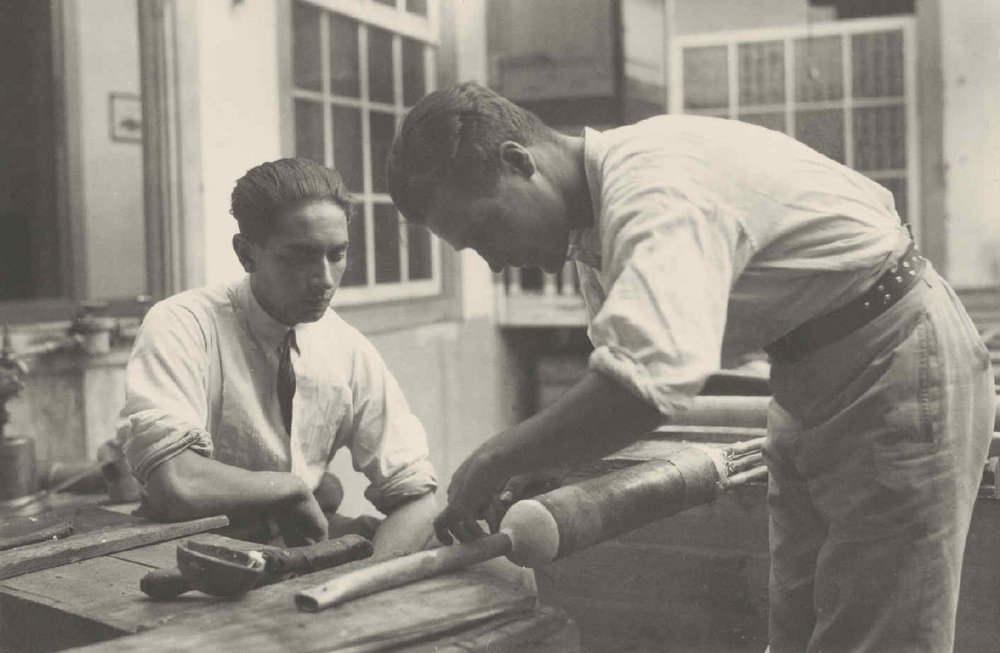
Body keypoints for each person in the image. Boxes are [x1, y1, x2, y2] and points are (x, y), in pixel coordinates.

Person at [386, 83, 995, 651]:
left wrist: (501, 456)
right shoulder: (594, 228)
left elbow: (644, 388)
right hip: (811, 376)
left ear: (519, 161)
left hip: (890, 360)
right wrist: (546, 458)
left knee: (880, 634)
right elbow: (620, 375)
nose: (493, 261)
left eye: (485, 227)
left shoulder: (651, 187)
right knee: (799, 623)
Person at [118, 158, 438, 555]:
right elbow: (177, 481)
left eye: (336, 255)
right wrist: (288, 489)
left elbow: (417, 497)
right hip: (186, 559)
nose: (323, 279)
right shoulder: (183, 324)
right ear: (246, 255)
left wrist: (359, 584)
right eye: (297, 257)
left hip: (295, 559)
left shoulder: (346, 347)